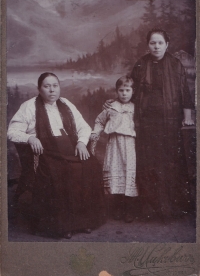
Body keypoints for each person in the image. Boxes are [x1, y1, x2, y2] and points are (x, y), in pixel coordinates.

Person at [104, 28, 195, 219]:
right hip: (144, 122)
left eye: (160, 43)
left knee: (169, 163)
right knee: (147, 163)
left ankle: (171, 209)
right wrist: (114, 102)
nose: (156, 46)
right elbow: (128, 90)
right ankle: (147, 209)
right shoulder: (140, 64)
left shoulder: (175, 64)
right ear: (148, 45)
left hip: (169, 122)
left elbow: (184, 92)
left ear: (167, 44)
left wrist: (188, 116)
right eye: (153, 43)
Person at [7, 72, 105, 239]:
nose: (52, 90)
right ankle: (63, 226)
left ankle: (83, 222)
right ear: (39, 89)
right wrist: (30, 138)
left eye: (55, 86)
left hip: (70, 147)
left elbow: (83, 126)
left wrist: (81, 142)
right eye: (47, 86)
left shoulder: (66, 104)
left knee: (91, 166)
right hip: (46, 152)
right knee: (60, 172)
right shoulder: (29, 106)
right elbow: (12, 132)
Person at [90, 76, 138, 223]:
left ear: (133, 91)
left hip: (130, 144)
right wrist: (95, 133)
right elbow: (99, 121)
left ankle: (129, 209)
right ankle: (117, 207)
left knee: (129, 172)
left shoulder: (135, 107)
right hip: (114, 144)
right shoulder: (111, 107)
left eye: (127, 90)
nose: (124, 93)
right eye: (121, 90)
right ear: (116, 91)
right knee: (115, 172)